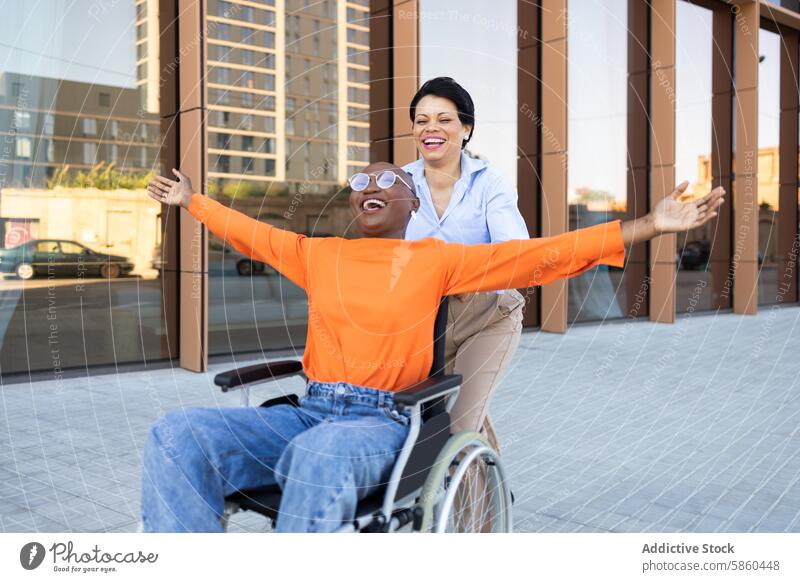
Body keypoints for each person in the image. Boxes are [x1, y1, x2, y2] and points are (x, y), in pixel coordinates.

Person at [141, 162, 724, 532]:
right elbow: (249, 232)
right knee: (175, 435)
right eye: (361, 183)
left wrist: (648, 225)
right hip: (311, 410)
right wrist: (192, 200)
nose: (370, 188)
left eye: (387, 182)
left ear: (412, 205)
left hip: (382, 420)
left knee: (320, 455)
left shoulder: (436, 259)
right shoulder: (319, 253)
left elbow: (539, 255)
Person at [402, 77, 529, 528]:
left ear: (466, 129)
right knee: (459, 414)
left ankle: (473, 532)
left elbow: (513, 249)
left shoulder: (488, 181)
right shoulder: (401, 183)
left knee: (459, 426)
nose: (430, 128)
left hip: (488, 315)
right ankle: (495, 494)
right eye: (421, 120)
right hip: (428, 321)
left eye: (443, 119)